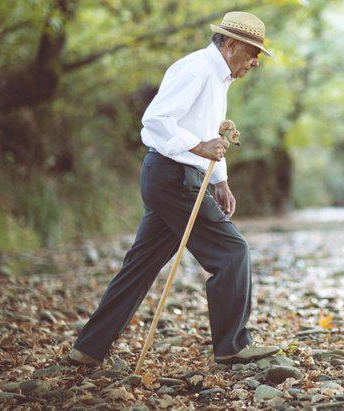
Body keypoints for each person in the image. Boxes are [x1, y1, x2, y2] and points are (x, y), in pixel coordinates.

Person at [68, 11, 279, 366]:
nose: (256, 62)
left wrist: (220, 181)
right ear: (230, 45)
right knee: (232, 252)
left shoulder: (218, 76)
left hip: (174, 177)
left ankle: (87, 349)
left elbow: (211, 136)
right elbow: (156, 120)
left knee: (139, 266)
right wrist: (199, 147)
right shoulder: (195, 69)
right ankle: (232, 346)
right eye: (253, 52)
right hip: (173, 178)